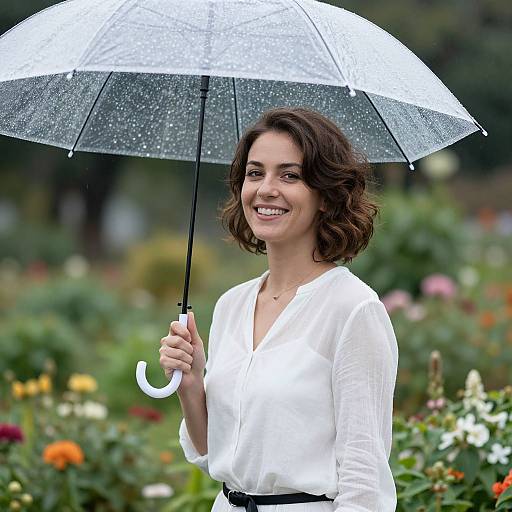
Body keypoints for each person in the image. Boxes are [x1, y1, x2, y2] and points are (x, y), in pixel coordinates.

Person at [159, 107, 399, 512]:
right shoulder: (231, 304)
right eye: (255, 173)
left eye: (290, 175)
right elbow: (212, 451)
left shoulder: (353, 310)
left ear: (326, 196)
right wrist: (191, 384)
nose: (266, 189)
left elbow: (364, 484)